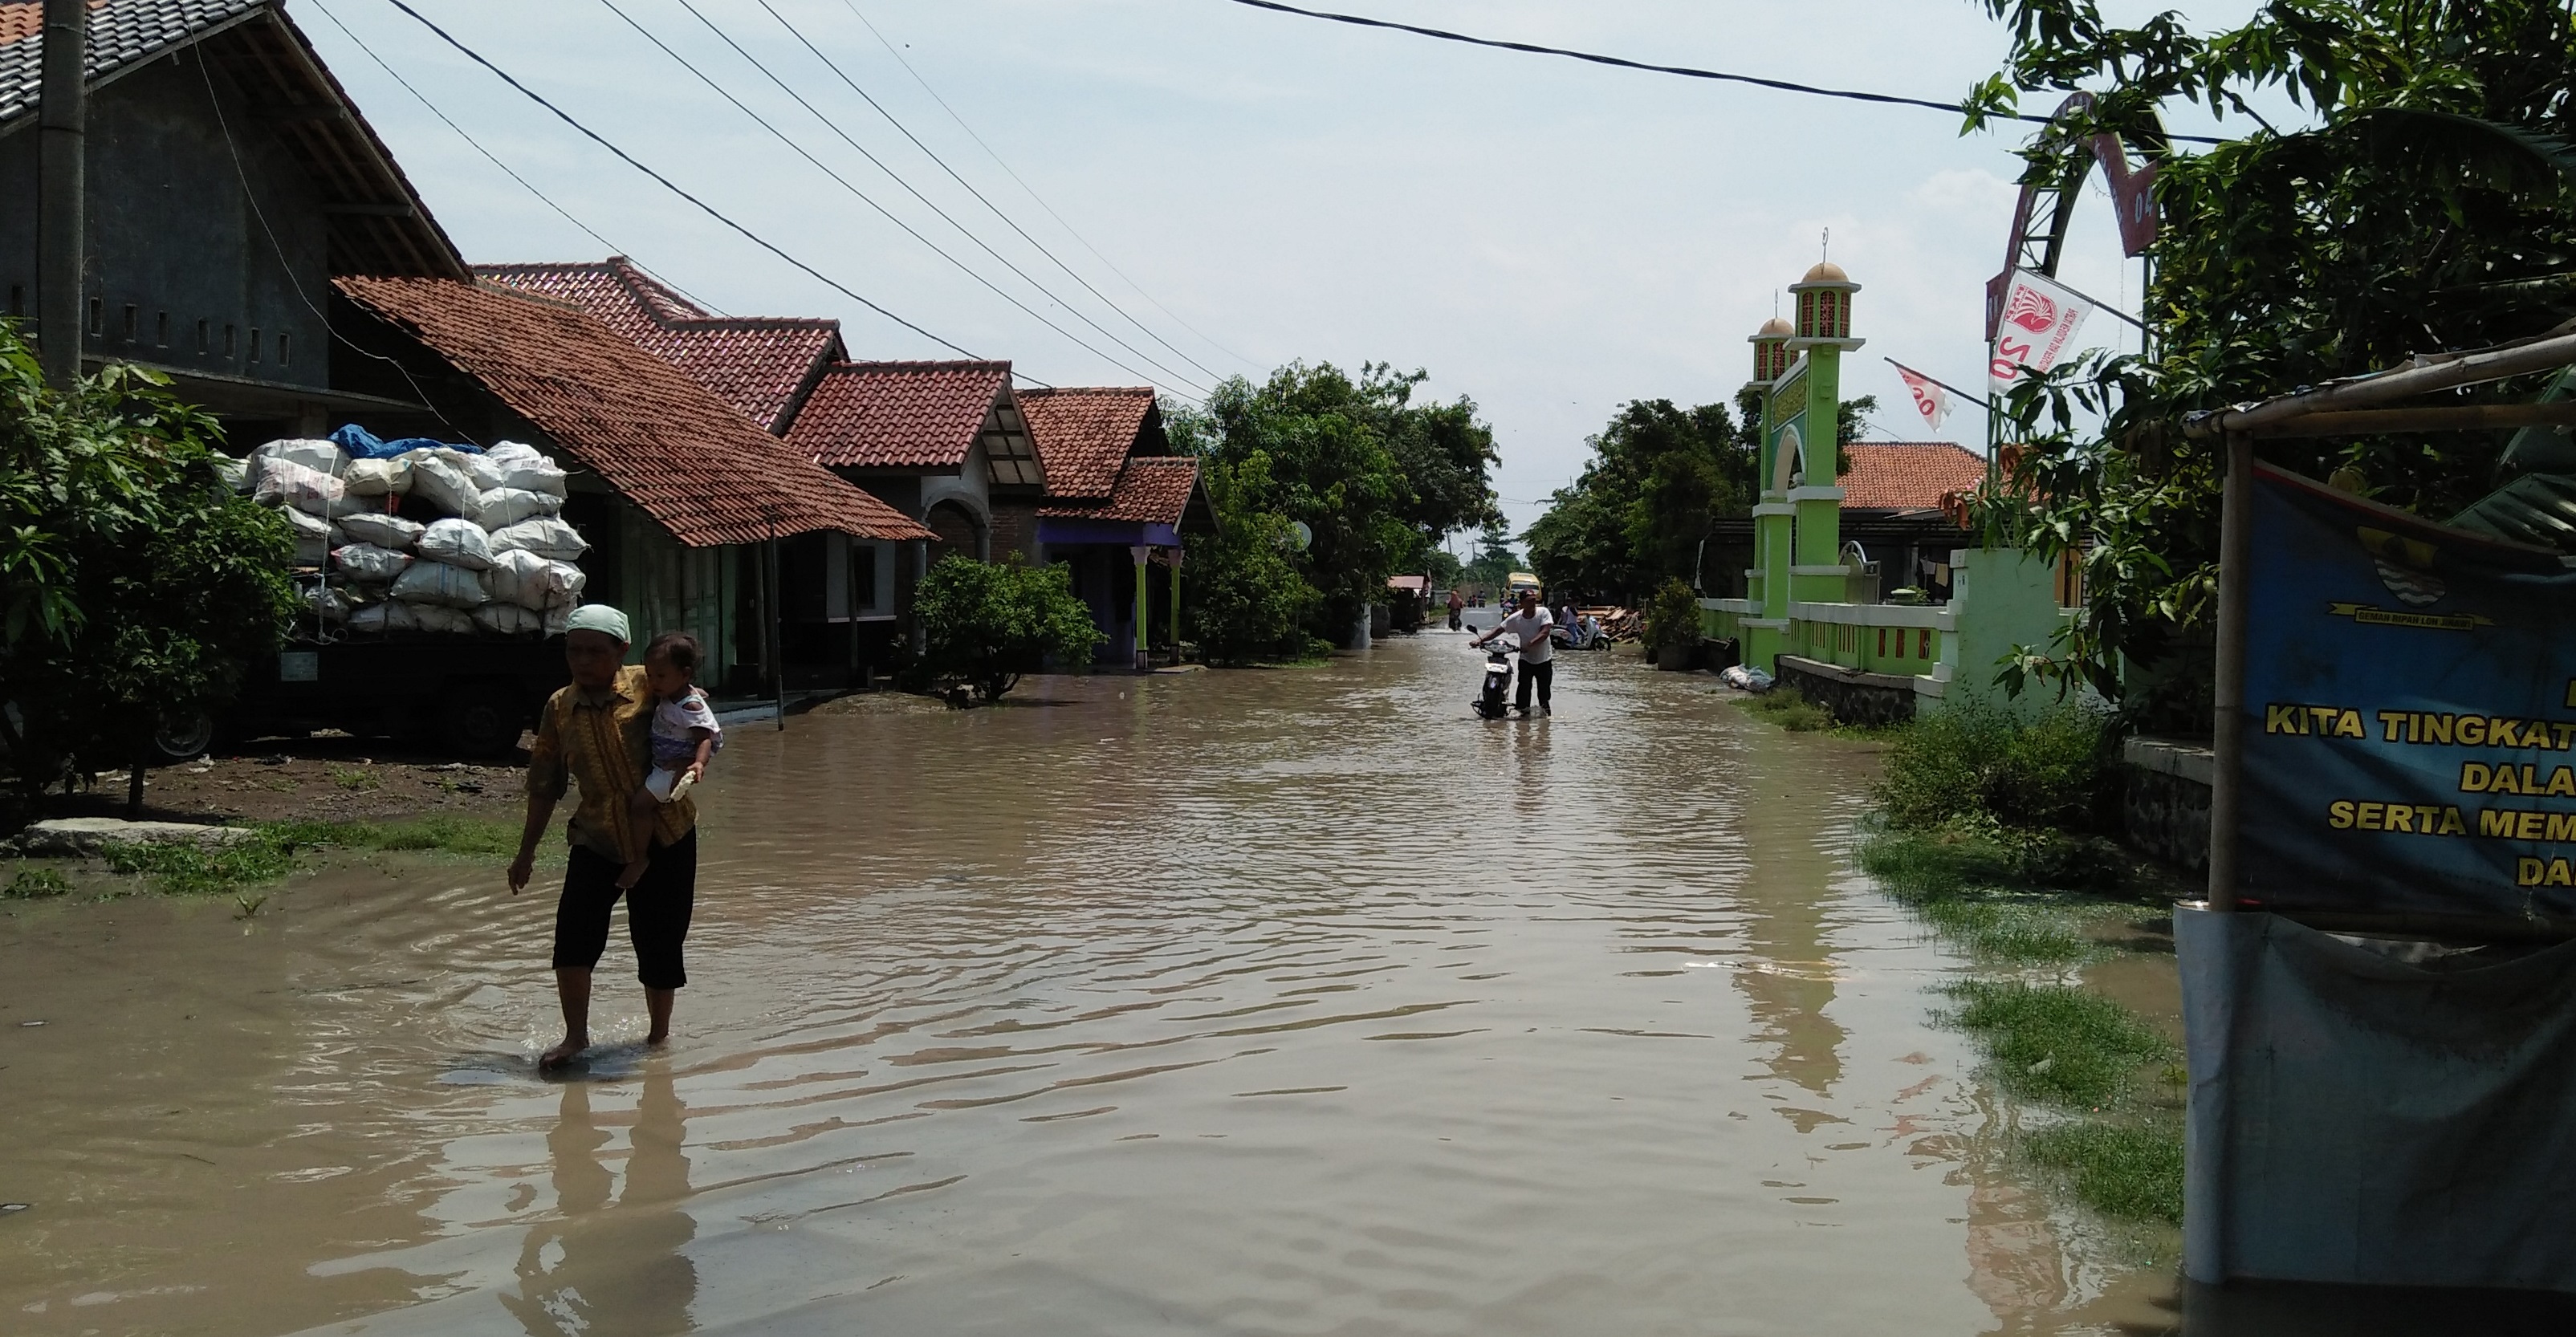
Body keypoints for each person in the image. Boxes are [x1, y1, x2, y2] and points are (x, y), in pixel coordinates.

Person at [508, 605, 701, 1070]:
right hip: (597, 839)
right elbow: (544, 783)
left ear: (622, 650)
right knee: (572, 938)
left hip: (665, 835)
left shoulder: (648, 683)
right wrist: (526, 852)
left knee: (659, 942)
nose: (583, 660)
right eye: (574, 651)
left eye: (596, 651)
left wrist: (693, 758)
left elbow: (697, 714)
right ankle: (576, 1037)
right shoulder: (560, 707)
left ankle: (657, 1041)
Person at [619, 632, 722, 891]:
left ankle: (640, 858)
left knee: (640, 806)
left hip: (671, 767)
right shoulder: (673, 691)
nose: (652, 682)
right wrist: (691, 690)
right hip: (664, 759)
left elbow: (705, 739)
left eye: (660, 676)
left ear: (684, 675)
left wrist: (698, 764)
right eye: (650, 675)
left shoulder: (690, 707)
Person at [1472, 587, 1555, 716]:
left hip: (1544, 659)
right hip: (1526, 658)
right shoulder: (1516, 618)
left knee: (1544, 695)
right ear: (1521, 603)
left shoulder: (1543, 613)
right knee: (1523, 691)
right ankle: (1523, 723)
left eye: (1534, 600)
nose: (1532, 603)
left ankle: (1546, 723)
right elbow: (1498, 630)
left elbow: (1545, 632)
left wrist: (1530, 644)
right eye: (1529, 601)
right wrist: (1479, 640)